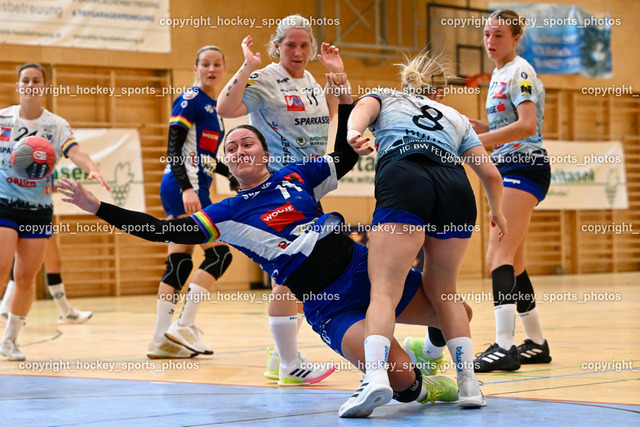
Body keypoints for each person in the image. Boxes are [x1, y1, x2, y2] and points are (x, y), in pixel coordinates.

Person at [59, 87, 461, 416]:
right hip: (329, 306)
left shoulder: (297, 175)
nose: (238, 149)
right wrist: (98, 208)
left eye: (246, 142)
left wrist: (342, 100)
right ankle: (422, 386)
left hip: (368, 274)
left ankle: (425, 351)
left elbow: (343, 156)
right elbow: (160, 230)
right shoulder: (227, 213)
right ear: (229, 166)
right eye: (230, 149)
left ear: (264, 154)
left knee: (459, 312)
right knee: (401, 383)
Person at [342, 52, 507, 414]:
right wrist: (497, 212)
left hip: (405, 173)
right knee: (445, 292)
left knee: (384, 289)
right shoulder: (457, 117)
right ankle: (469, 384)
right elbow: (491, 175)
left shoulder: (387, 95)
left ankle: (375, 379)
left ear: (405, 84)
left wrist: (354, 133)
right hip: (455, 188)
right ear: (440, 93)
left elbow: (360, 111)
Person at [216, 14, 344, 385]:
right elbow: (226, 109)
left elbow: (326, 117)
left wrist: (335, 81)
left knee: (298, 275)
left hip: (308, 186)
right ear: (277, 47)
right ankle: (288, 363)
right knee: (289, 275)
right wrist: (247, 65)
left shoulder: (311, 81)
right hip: (276, 187)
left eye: (305, 45)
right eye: (291, 45)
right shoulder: (266, 77)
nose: (299, 52)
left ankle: (280, 357)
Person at [0, 62, 110, 361]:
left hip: (38, 209)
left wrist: (92, 169)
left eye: (37, 80)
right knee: (1, 268)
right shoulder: (3, 119)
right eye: (26, 80)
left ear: (45, 86)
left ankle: (10, 341)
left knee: (25, 278)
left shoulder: (56, 125)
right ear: (19, 85)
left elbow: (76, 151)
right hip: (4, 204)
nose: (31, 84)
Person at [469, 9, 552, 372]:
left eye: (499, 35)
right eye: (487, 35)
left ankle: (504, 346)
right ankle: (535, 343)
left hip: (524, 167)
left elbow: (527, 125)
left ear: (516, 38)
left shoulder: (519, 71)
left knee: (495, 256)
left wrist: (480, 140)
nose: (490, 42)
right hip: (511, 164)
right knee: (514, 263)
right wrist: (483, 127)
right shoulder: (499, 74)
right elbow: (514, 126)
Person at [149, 46, 233, 359]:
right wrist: (186, 188)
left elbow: (208, 158)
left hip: (199, 186)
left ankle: (160, 339)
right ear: (195, 68)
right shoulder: (190, 99)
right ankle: (184, 323)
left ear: (224, 69)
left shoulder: (217, 108)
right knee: (220, 256)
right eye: (205, 64)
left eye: (217, 64)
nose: (211, 69)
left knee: (179, 262)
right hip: (185, 188)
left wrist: (234, 176)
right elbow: (173, 146)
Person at [0, 237, 93, 325]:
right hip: (25, 222)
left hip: (41, 221)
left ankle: (66, 312)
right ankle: (5, 309)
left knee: (54, 264)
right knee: (23, 265)